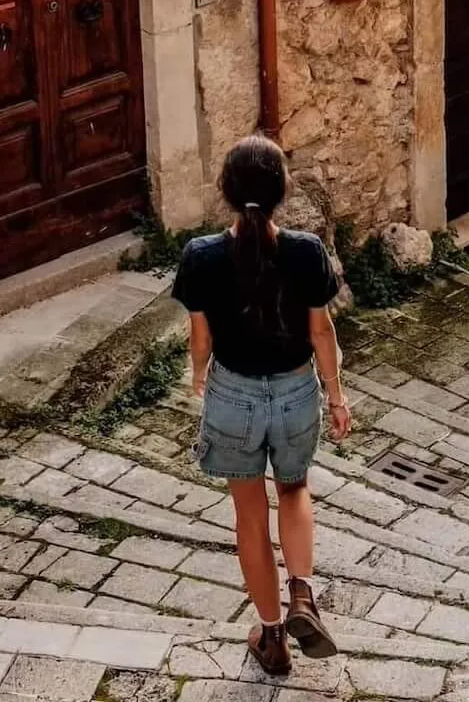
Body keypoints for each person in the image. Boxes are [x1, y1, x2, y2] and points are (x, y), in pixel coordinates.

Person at [172, 134, 353, 678]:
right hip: (297, 389)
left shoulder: (201, 257)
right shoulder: (305, 251)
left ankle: (272, 637)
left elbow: (199, 341)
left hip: (234, 393)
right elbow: (322, 332)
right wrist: (336, 394)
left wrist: (201, 377)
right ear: (282, 193)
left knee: (249, 515)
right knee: (294, 490)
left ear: (225, 192)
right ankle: (302, 595)